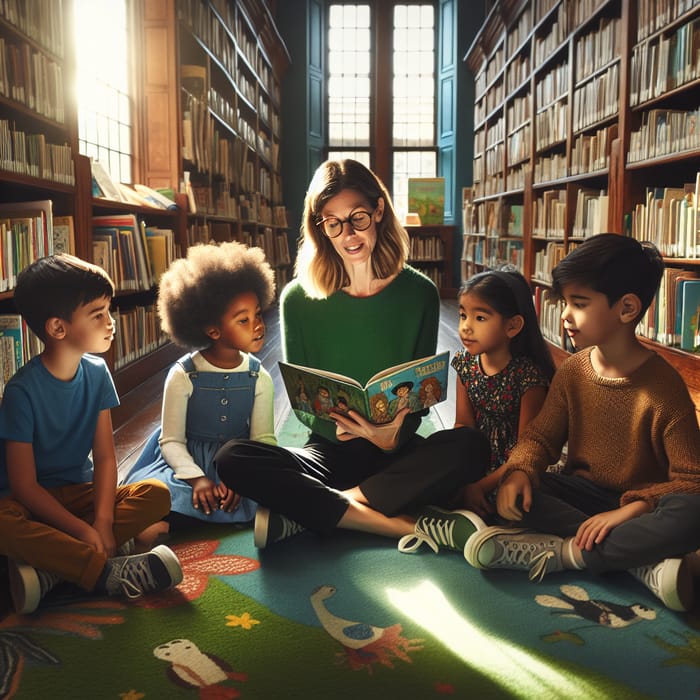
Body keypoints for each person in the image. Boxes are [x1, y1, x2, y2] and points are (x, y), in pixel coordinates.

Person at [215, 158, 490, 551]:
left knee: (471, 447)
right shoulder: (298, 299)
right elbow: (303, 403)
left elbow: (420, 398)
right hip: (329, 451)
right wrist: (339, 427)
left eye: (358, 217)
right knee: (232, 458)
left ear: (379, 211)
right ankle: (398, 525)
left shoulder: (420, 294)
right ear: (320, 227)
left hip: (396, 452)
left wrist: (388, 437)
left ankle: (317, 509)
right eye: (333, 222)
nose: (348, 234)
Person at [462, 234, 700, 611]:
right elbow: (540, 437)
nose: (566, 315)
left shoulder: (664, 388)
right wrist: (522, 469)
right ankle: (641, 562)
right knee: (511, 489)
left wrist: (632, 508)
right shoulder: (574, 370)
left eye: (579, 303)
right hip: (582, 498)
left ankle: (568, 554)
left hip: (640, 508)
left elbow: (691, 480)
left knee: (694, 511)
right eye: (564, 303)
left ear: (626, 309)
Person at [0, 254, 183, 615]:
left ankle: (53, 567)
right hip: (28, 503)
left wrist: (102, 521)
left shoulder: (97, 372)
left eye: (108, 311)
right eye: (98, 314)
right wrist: (86, 532)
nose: (111, 323)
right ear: (57, 328)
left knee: (157, 494)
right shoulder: (21, 392)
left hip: (78, 493)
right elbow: (24, 486)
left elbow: (103, 457)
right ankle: (106, 571)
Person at [123, 241, 276, 531]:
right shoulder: (183, 375)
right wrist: (196, 477)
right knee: (157, 494)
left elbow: (262, 440)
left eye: (257, 313)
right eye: (243, 320)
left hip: (237, 464)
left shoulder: (259, 377)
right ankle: (172, 522)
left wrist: (243, 477)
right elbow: (171, 441)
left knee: (282, 485)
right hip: (183, 465)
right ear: (212, 330)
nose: (258, 325)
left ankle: (182, 523)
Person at [451, 268, 555, 518]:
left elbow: (524, 452)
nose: (466, 327)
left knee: (515, 503)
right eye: (463, 315)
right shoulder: (465, 363)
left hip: (510, 468)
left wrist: (480, 486)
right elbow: (462, 425)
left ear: (513, 326)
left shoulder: (528, 376)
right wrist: (460, 472)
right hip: (474, 460)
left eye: (480, 318)